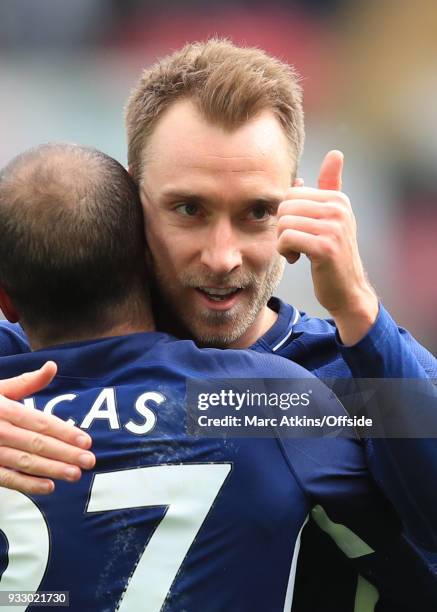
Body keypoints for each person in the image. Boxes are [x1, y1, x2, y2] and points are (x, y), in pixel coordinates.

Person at [0, 40, 436, 608]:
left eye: (257, 212)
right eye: (190, 210)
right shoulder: (27, 362)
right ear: (131, 204)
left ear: (297, 207)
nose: (222, 256)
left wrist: (360, 310)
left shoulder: (342, 375)